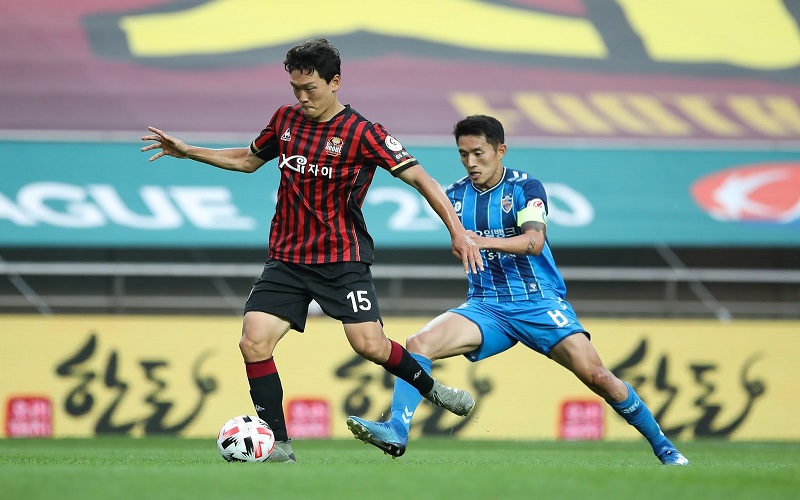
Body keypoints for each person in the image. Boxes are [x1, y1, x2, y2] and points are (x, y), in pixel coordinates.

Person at [140, 38, 483, 463]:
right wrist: (189, 151)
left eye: (310, 88)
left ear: (335, 82)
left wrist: (458, 232)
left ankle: (433, 390)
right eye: (295, 88)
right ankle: (280, 444)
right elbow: (247, 160)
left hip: (341, 259)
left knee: (370, 346)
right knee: (253, 342)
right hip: (287, 259)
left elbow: (422, 179)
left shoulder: (364, 133)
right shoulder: (284, 120)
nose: (302, 97)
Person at [346, 115, 689, 466]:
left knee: (598, 376)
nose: (470, 162)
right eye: (463, 154)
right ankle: (397, 430)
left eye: (478, 153)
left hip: (538, 302)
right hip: (486, 306)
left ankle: (666, 449)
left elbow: (534, 242)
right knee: (419, 343)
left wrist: (478, 240)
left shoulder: (525, 188)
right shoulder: (455, 196)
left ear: (501, 150)